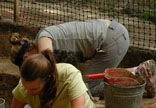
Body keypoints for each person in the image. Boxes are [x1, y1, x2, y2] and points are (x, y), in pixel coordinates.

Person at [9, 19, 156, 98]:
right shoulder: (42, 43)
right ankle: (141, 73)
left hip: (112, 38)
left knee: (86, 88)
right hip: (112, 35)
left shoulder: (42, 40)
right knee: (89, 80)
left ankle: (137, 73)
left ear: (27, 57)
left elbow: (49, 67)